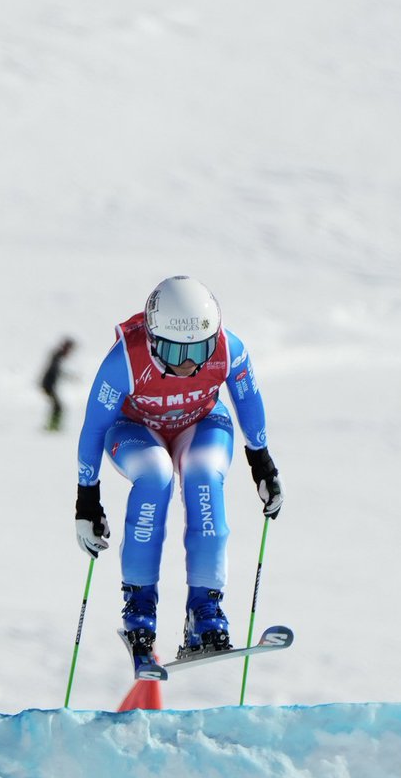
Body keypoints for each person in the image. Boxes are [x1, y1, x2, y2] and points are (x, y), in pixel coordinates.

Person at [74, 275, 283, 669]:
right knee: (156, 475)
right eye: (172, 352)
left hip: (201, 421)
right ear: (153, 340)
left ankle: (204, 613)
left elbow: (248, 400)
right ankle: (139, 610)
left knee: (203, 476)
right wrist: (87, 499)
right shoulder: (125, 361)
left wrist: (262, 461)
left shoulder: (227, 348)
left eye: (198, 350)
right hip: (136, 428)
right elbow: (94, 427)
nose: (188, 364)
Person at [39, 337, 76, 431]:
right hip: (47, 384)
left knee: (57, 406)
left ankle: (53, 425)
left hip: (48, 384)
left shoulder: (57, 356)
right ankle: (53, 426)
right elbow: (54, 369)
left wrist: (67, 376)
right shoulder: (57, 356)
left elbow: (56, 370)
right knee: (58, 407)